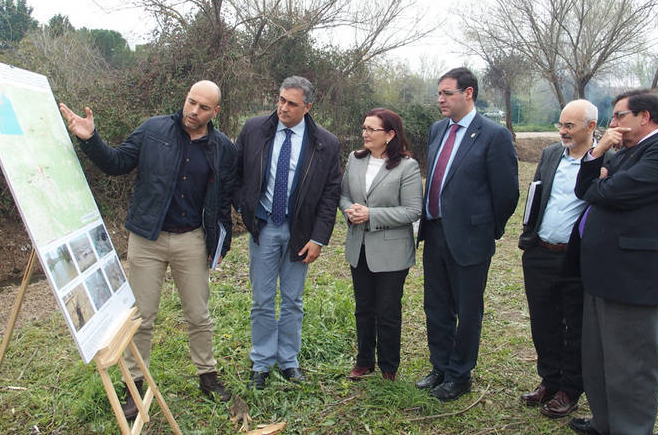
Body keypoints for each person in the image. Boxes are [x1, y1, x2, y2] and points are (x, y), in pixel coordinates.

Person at [59, 80, 237, 420]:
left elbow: (224, 197)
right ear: (185, 98)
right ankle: (134, 385)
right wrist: (90, 140)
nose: (193, 111)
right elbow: (117, 162)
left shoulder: (222, 147)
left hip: (191, 240)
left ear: (215, 112)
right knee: (141, 318)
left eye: (203, 107)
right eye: (191, 102)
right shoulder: (154, 129)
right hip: (147, 239)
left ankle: (208, 376)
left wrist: (221, 240)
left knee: (199, 315)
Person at [568, 90, 658, 435]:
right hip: (602, 272)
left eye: (619, 116)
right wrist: (597, 154)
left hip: (633, 278)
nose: (613, 124)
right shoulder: (627, 152)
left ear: (645, 116)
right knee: (598, 358)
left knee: (631, 365)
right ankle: (606, 421)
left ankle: (631, 428)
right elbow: (586, 188)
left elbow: (608, 192)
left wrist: (604, 182)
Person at [416, 67, 519, 401]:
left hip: (470, 238)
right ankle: (440, 367)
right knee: (436, 306)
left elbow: (506, 193)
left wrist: (488, 228)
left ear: (469, 93)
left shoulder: (493, 135)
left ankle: (460, 375)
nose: (440, 99)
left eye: (447, 93)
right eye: (439, 93)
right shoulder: (436, 130)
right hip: (434, 232)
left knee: (467, 309)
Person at [234, 76, 341, 390]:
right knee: (262, 300)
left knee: (293, 301)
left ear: (307, 107)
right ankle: (262, 362)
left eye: (292, 103)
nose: (283, 107)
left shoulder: (325, 143)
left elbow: (330, 194)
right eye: (281, 100)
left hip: (300, 233)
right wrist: (245, 207)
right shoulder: (254, 130)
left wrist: (319, 238)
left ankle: (289, 362)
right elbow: (235, 173)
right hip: (264, 228)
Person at [518, 100, 602, 418]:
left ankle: (570, 389)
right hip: (540, 251)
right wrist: (529, 234)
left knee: (575, 328)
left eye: (570, 126)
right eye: (560, 125)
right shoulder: (552, 154)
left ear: (591, 127)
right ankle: (549, 381)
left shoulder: (606, 159)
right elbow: (538, 194)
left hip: (576, 260)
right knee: (543, 323)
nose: (563, 132)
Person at [340, 108, 422, 382]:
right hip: (359, 246)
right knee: (363, 308)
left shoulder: (407, 166)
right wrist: (349, 209)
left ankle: (389, 365)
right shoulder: (355, 159)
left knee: (387, 310)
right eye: (364, 127)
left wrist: (372, 215)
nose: (364, 133)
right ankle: (364, 361)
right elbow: (343, 195)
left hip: (392, 251)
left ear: (389, 135)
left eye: (371, 129)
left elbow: (412, 210)